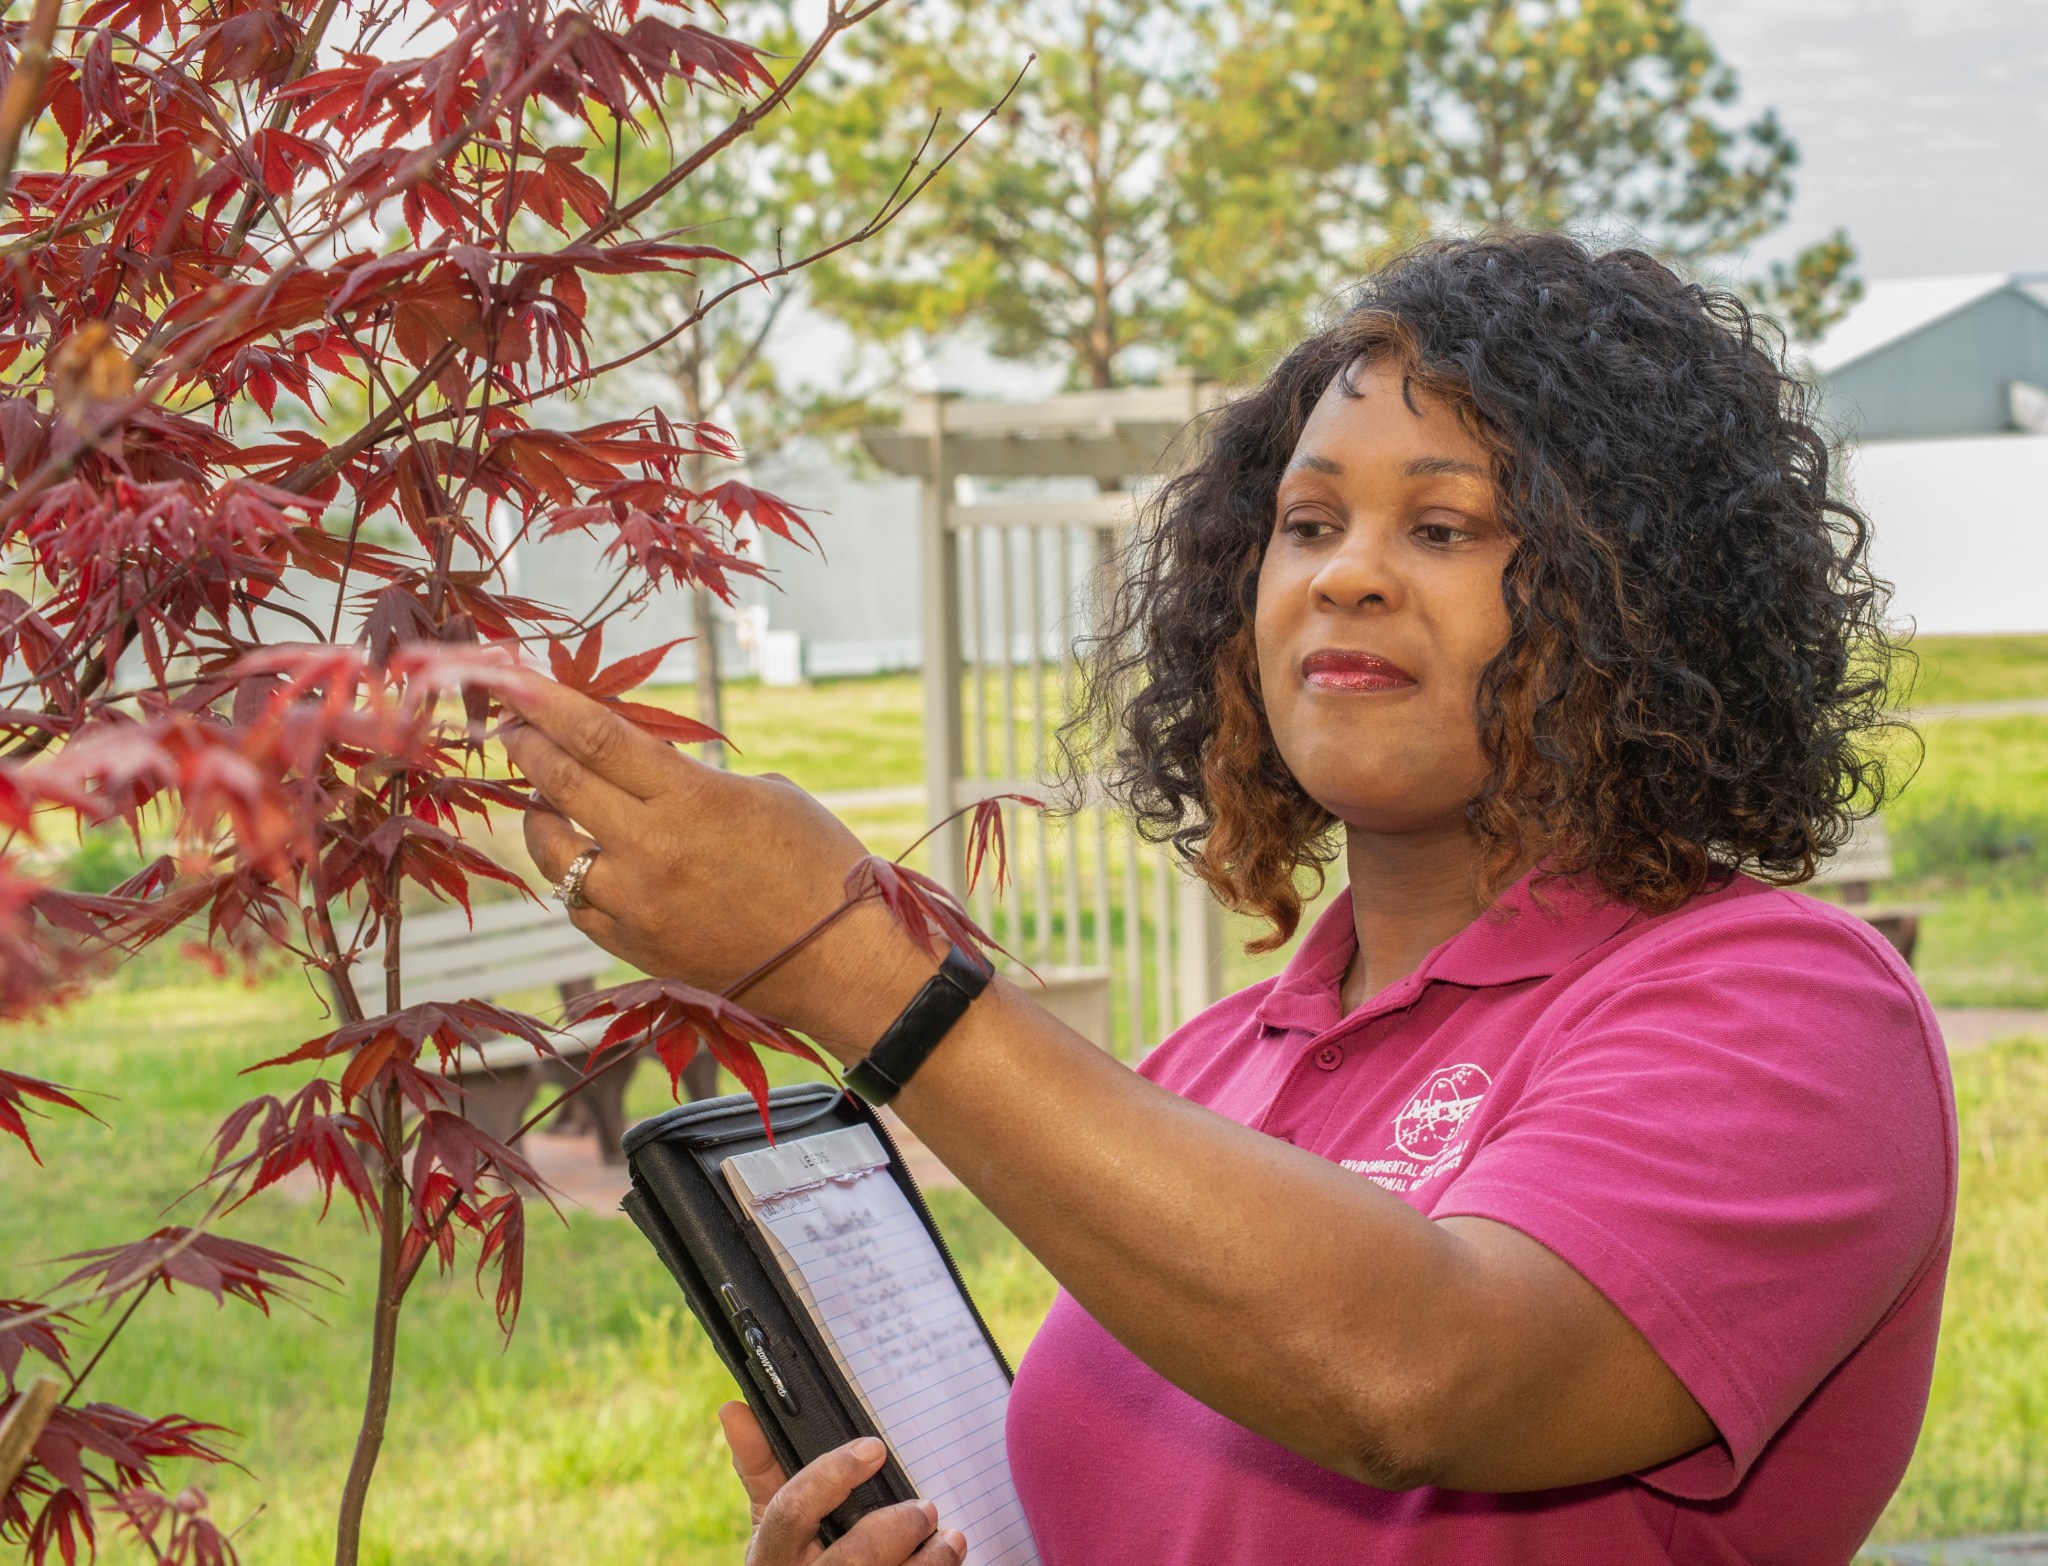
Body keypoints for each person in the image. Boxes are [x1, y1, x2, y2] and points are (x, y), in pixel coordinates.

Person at [499, 233, 1956, 1566]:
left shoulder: (1784, 1004)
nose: (1348, 578)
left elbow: (1423, 1376)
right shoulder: (1209, 1071)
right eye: (1308, 524)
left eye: (1443, 528)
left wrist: (843, 962)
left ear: (1639, 598)